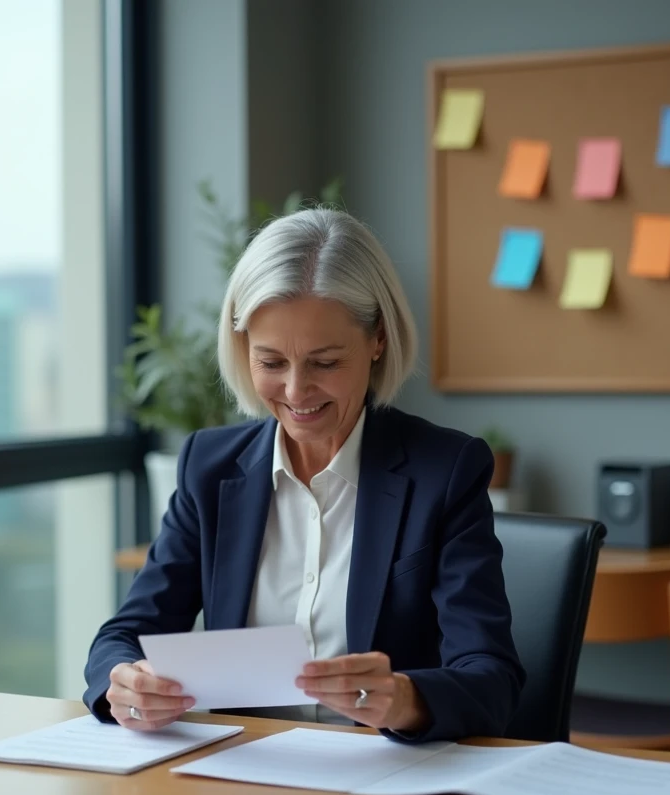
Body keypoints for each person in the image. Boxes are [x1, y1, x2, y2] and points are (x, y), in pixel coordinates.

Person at [83, 207, 524, 744]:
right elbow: (125, 634)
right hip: (242, 771)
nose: (295, 393)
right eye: (271, 363)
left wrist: (405, 699)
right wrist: (126, 683)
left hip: (382, 775)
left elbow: (491, 679)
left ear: (377, 340)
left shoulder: (445, 473)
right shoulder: (210, 466)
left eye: (324, 363)